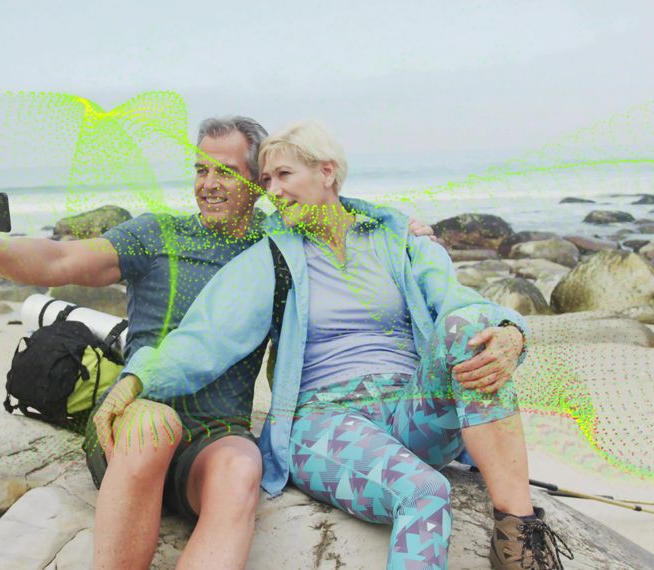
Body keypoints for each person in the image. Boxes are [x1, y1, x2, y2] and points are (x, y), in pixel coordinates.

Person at [0, 115, 438, 569]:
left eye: (224, 172)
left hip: (217, 432)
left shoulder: (280, 247)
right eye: (200, 170)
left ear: (259, 184)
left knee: (244, 466)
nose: (207, 184)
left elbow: (338, 217)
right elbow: (60, 262)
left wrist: (406, 229)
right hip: (137, 412)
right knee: (155, 424)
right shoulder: (159, 234)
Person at [97, 121, 572, 569]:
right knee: (425, 491)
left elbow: (456, 301)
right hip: (326, 419)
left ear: (327, 172)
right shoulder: (273, 255)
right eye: (266, 179)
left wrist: (513, 333)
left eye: (285, 174)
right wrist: (136, 380)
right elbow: (208, 334)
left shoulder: (394, 238)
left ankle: (519, 534)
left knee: (466, 327)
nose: (273, 190)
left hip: (410, 408)